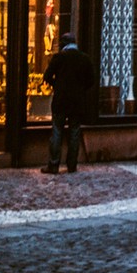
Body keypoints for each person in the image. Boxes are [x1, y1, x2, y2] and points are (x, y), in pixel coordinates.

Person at [41, 32, 96, 174]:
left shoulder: (59, 58)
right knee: (74, 133)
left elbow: (46, 76)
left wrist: (56, 85)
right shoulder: (84, 59)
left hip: (60, 101)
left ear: (63, 44)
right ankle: (72, 165)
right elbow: (91, 80)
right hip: (77, 102)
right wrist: (81, 89)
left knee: (57, 132)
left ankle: (53, 165)